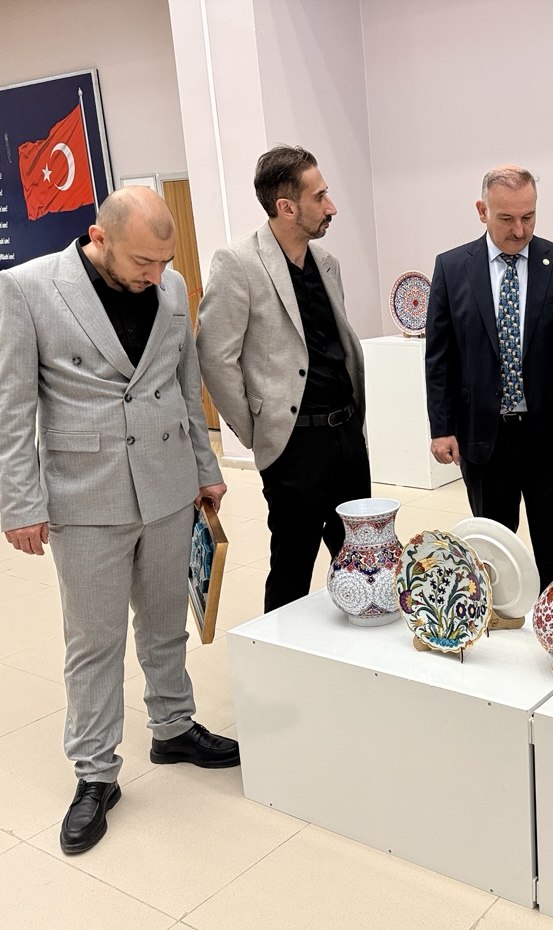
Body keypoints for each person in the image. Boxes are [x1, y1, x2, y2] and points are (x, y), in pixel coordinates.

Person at [0, 187, 238, 856]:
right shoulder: (27, 289)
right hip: (84, 494)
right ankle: (95, 772)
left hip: (166, 484)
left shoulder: (171, 285)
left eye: (164, 261)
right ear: (98, 238)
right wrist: (21, 503)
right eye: (141, 262)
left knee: (164, 621)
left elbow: (183, 385)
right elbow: (10, 409)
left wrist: (204, 465)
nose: (155, 275)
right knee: (94, 640)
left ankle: (173, 727)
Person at [197, 146, 370, 613]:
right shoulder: (238, 263)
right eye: (320, 197)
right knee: (293, 565)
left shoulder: (326, 262)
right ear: (286, 207)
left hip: (346, 436)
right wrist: (257, 431)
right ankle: (276, 652)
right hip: (294, 445)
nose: (331, 206)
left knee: (362, 560)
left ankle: (359, 641)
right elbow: (215, 358)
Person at [425, 164, 553, 587]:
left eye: (529, 216)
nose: (519, 229)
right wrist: (442, 427)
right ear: (482, 210)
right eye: (506, 218)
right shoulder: (452, 268)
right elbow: (439, 357)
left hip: (550, 434)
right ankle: (502, 615)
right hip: (482, 434)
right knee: (493, 545)